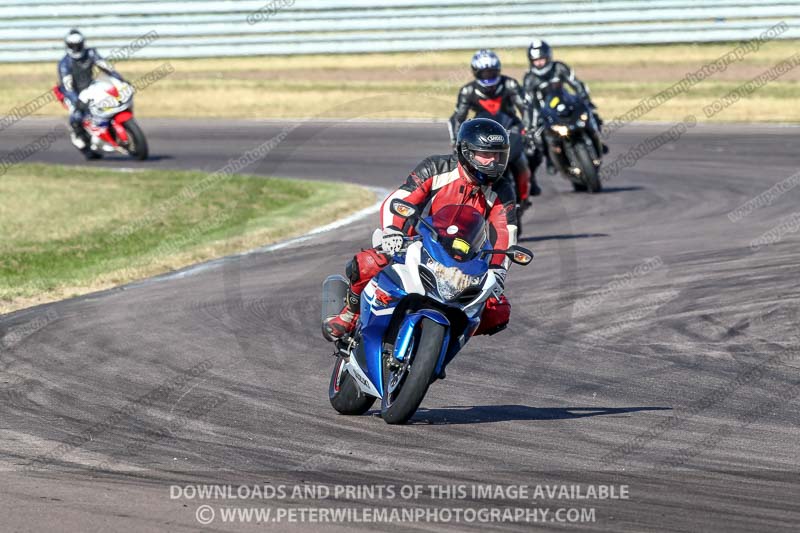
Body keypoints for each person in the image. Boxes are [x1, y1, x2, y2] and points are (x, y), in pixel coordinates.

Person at [323, 118, 519, 343]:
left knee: (498, 312)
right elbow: (400, 199)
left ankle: (443, 343)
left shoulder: (502, 190)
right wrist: (392, 233)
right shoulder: (436, 168)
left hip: (466, 260)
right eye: (487, 155)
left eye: (498, 155)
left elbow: (505, 233)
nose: (493, 162)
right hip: (421, 242)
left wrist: (498, 271)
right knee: (369, 262)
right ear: (467, 152)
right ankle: (350, 313)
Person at [448, 49, 540, 200]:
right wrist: (456, 141)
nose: (488, 76)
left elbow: (526, 107)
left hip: (511, 126)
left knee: (535, 149)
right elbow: (457, 118)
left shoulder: (509, 84)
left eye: (491, 72)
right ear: (476, 72)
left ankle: (530, 182)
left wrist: (530, 130)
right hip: (482, 132)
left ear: (498, 70)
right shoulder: (467, 90)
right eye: (484, 73)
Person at [522, 40, 607, 176]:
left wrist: (585, 99)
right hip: (545, 114)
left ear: (548, 57)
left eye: (541, 59)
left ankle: (598, 139)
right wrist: (530, 126)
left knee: (591, 114)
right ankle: (551, 159)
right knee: (538, 136)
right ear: (531, 61)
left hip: (565, 105)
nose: (539, 63)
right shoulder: (529, 78)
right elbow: (528, 104)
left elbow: (576, 84)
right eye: (536, 60)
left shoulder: (559, 67)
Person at [57, 29, 127, 158]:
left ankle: (110, 129)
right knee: (76, 117)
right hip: (73, 93)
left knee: (110, 97)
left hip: (90, 86)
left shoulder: (90, 53)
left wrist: (119, 79)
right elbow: (67, 85)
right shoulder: (64, 63)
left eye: (79, 45)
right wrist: (76, 101)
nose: (77, 48)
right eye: (73, 46)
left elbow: (105, 66)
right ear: (68, 45)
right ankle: (82, 142)